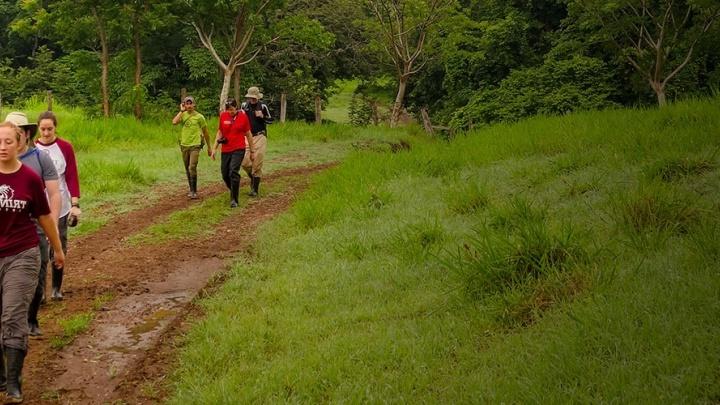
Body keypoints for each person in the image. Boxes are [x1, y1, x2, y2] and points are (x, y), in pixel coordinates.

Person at [0, 121, 65, 403]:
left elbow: (43, 216)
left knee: (12, 316)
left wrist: (58, 250)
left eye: (8, 142)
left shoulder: (29, 178)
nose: (2, 147)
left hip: (22, 254)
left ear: (20, 143)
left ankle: (13, 383)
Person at [5, 112, 62, 337]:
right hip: (6, 229)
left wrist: (53, 227)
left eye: (19, 132)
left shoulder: (40, 159)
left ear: (26, 134)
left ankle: (31, 318)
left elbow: (54, 194)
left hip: (35, 228)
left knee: (38, 276)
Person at [35, 111, 81, 302]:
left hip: (60, 205)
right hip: (37, 207)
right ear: (38, 128)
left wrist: (75, 204)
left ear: (55, 128)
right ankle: (40, 293)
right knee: (39, 250)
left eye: (50, 129)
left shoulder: (65, 147)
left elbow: (71, 175)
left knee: (58, 245)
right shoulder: (32, 149)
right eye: (43, 129)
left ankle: (56, 288)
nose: (46, 133)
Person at [211, 98, 255, 208]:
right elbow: (220, 132)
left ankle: (234, 199)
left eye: (232, 109)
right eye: (228, 109)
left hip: (239, 148)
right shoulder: (223, 116)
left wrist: (252, 151)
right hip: (226, 149)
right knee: (225, 174)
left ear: (236, 107)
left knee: (233, 171)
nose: (230, 111)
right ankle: (234, 189)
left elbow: (248, 134)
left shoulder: (243, 117)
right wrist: (214, 148)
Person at [172, 95, 211, 199]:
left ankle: (194, 191)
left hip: (195, 145)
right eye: (187, 103)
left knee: (192, 166)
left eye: (191, 103)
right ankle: (191, 189)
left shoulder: (199, 117)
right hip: (184, 145)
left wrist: (209, 147)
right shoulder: (183, 115)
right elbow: (174, 122)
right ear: (184, 105)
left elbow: (206, 133)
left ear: (194, 104)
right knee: (187, 168)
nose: (189, 106)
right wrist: (181, 111)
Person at [241, 86, 273, 197]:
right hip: (247, 135)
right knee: (244, 161)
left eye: (254, 98)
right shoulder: (244, 106)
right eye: (250, 98)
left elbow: (270, 121)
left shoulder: (263, 106)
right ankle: (253, 177)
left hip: (260, 135)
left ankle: (254, 189)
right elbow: (241, 120)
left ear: (258, 97)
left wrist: (262, 116)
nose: (252, 100)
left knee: (257, 161)